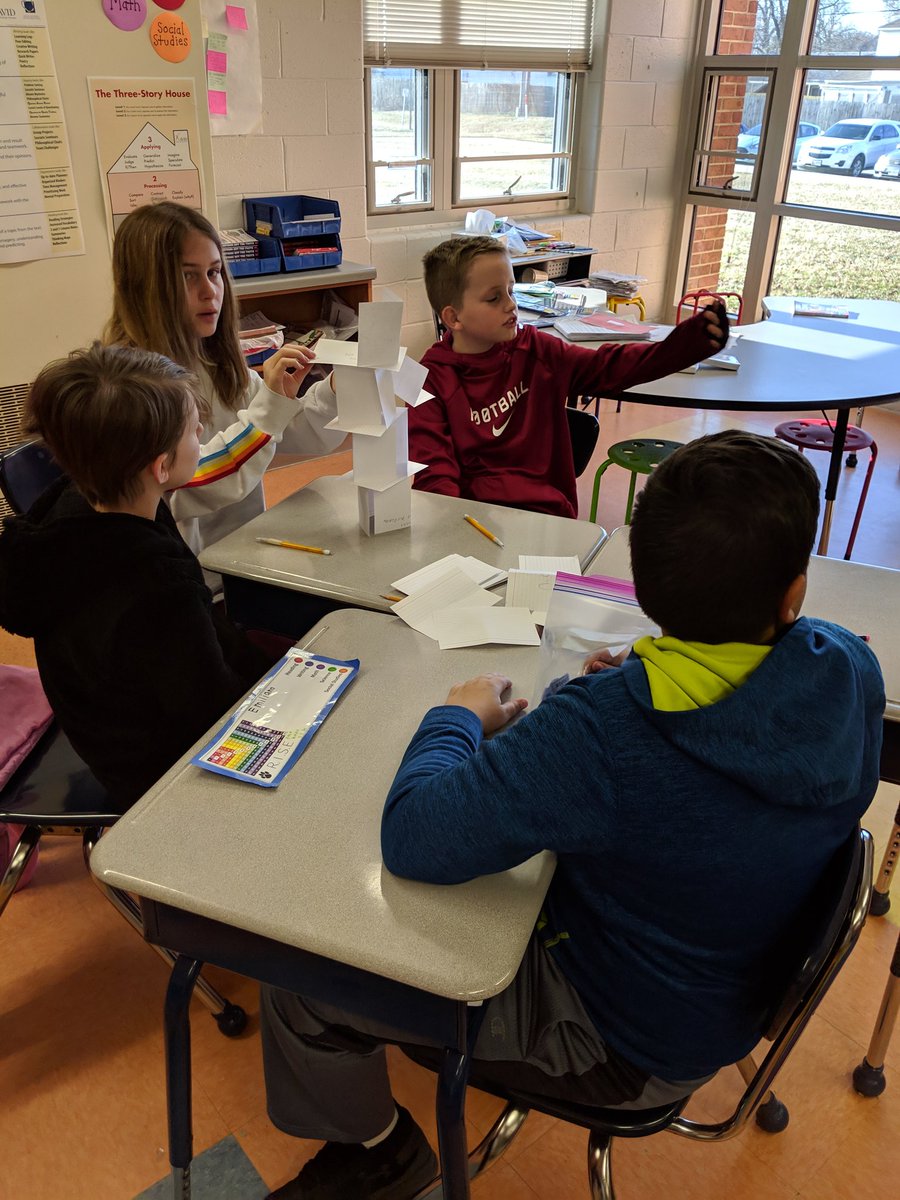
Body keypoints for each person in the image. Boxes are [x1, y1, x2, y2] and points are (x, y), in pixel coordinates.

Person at [258, 431, 883, 1200]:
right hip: (721, 989)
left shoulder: (604, 735)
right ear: (791, 596)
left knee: (295, 977)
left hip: (621, 1045)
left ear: (646, 581)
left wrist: (454, 719)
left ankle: (379, 1153)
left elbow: (415, 837)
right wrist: (636, 681)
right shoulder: (850, 667)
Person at [0, 343, 280, 813]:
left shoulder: (79, 505)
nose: (200, 431)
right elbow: (212, 716)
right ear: (162, 466)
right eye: (194, 429)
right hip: (158, 778)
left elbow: (209, 648)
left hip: (111, 734)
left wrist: (274, 670)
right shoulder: (156, 590)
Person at [409, 235, 729, 519]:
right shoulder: (429, 381)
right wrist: (451, 533)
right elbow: (435, 476)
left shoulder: (538, 351)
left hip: (547, 518)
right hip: (475, 521)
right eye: (494, 298)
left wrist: (686, 345)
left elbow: (612, 367)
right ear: (453, 317)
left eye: (511, 290)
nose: (511, 305)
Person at [104, 202, 345, 561]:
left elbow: (289, 433)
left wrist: (335, 390)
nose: (209, 291)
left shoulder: (213, 361)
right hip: (189, 576)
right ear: (145, 287)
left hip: (240, 558)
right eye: (188, 276)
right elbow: (191, 483)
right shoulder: (128, 389)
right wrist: (270, 408)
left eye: (214, 272)